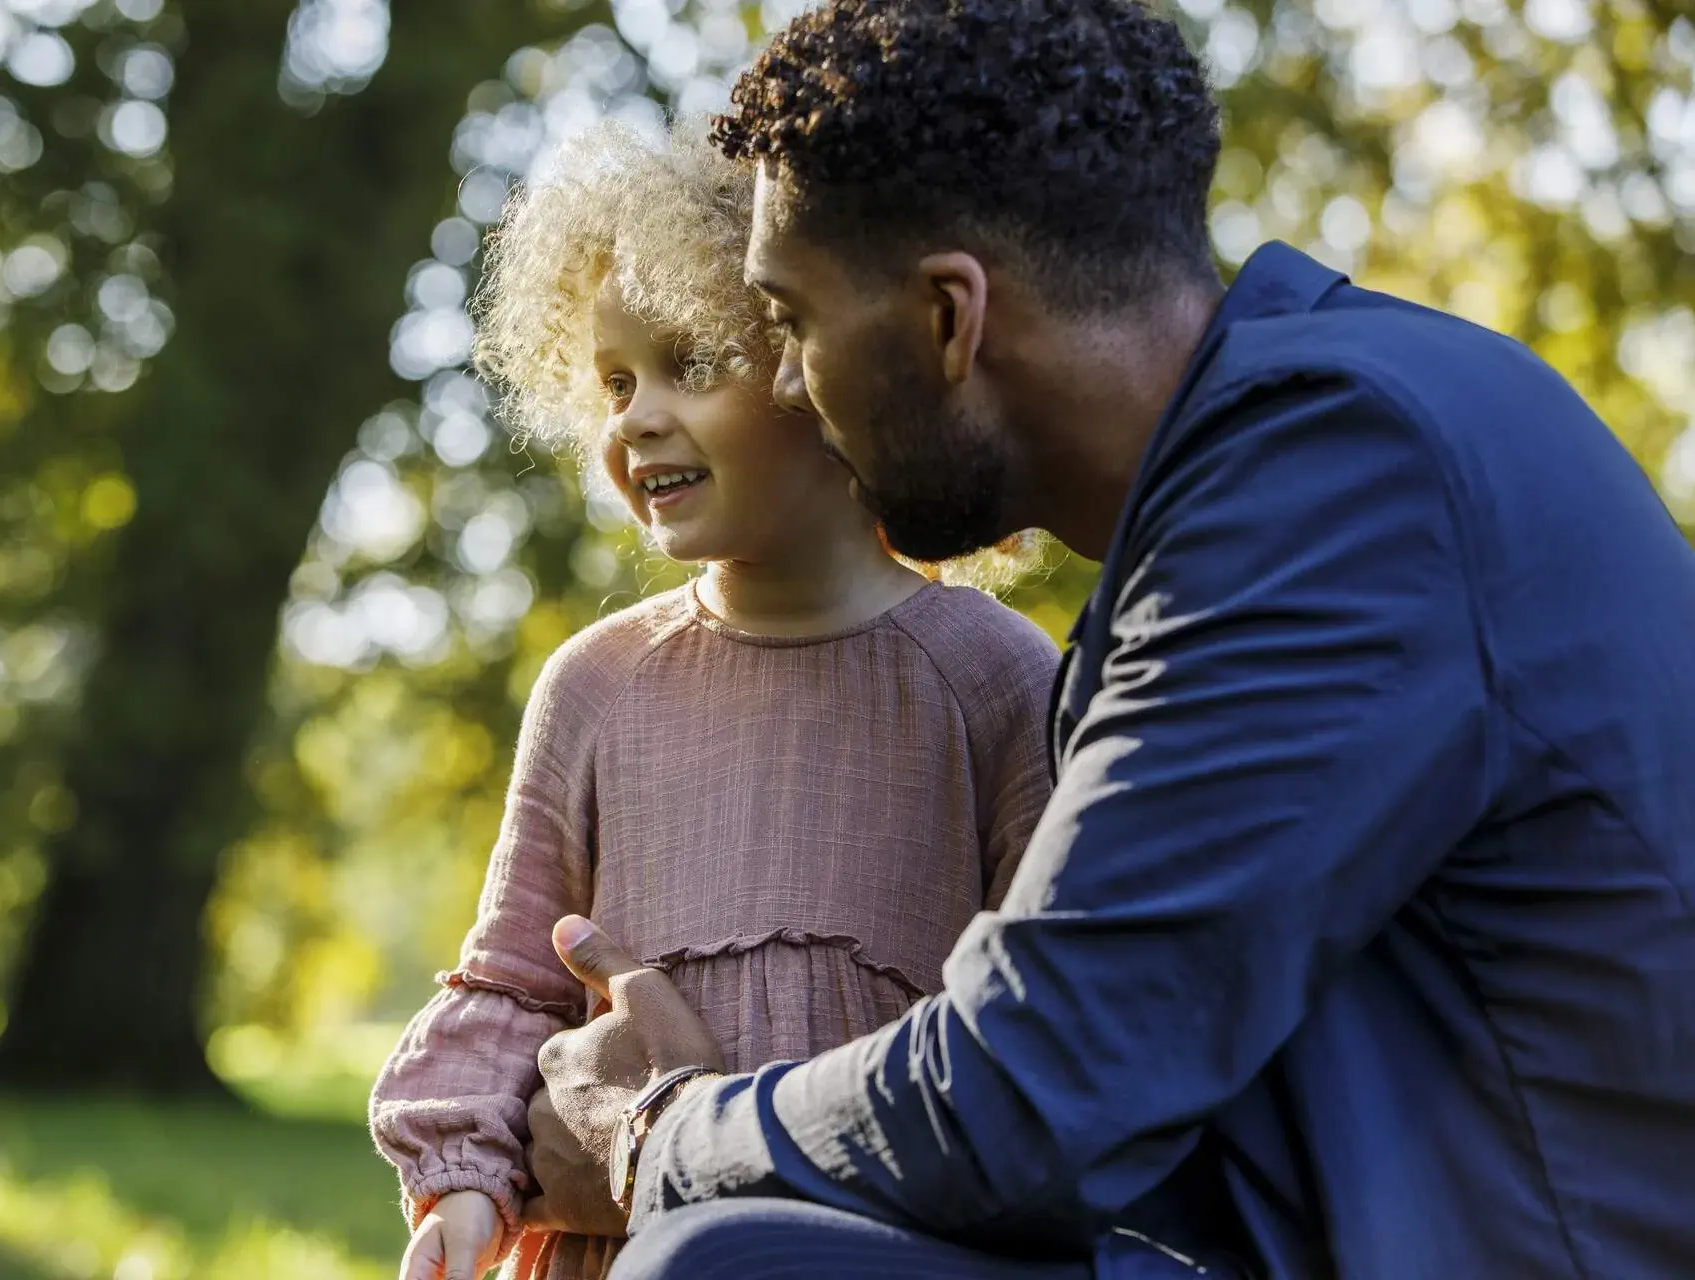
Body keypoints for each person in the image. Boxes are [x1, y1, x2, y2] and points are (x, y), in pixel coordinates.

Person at [518, 2, 1695, 1277]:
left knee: (721, 1265)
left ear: (947, 319)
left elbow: (1032, 1089)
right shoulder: (1253, 490)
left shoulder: (1336, 483)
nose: (792, 384)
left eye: (792, 320)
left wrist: (658, 1133)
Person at [366, 117, 1063, 1280]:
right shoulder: (594, 684)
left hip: (864, 1240)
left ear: (822, 366)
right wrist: (466, 1177)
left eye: (690, 363)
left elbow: (1047, 1020)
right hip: (609, 1239)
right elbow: (512, 979)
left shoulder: (990, 676)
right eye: (612, 381)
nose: (634, 417)